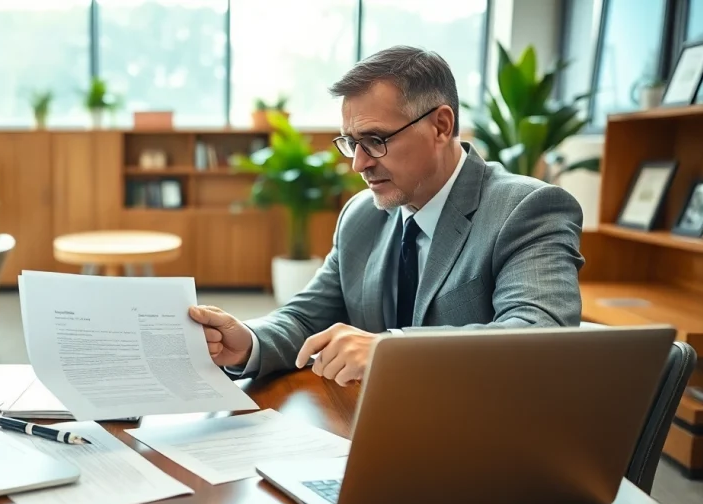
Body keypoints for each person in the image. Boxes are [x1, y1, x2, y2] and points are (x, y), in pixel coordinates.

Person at [189, 46, 584, 386]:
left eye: (375, 140)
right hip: (377, 427)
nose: (358, 164)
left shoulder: (528, 209)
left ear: (441, 126)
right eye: (351, 143)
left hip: (485, 440)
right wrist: (249, 340)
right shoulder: (362, 216)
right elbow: (307, 317)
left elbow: (540, 336)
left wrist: (390, 349)